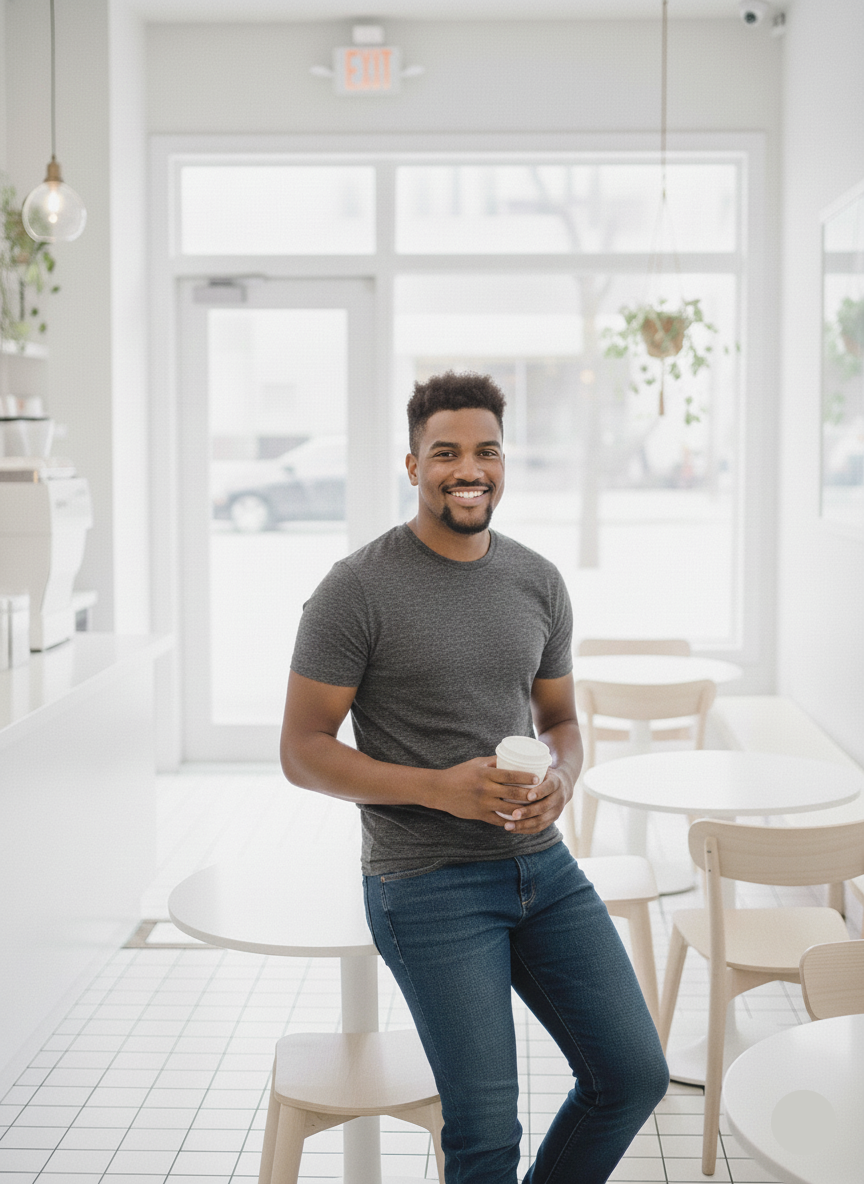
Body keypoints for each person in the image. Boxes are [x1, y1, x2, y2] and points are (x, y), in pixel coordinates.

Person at [281, 371, 668, 1184]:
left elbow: (560, 720)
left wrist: (561, 774)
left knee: (633, 1076)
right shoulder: (355, 590)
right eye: (446, 452)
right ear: (413, 463)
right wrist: (437, 787)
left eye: (486, 451)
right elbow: (303, 749)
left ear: (504, 460)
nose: (470, 469)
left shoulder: (537, 580)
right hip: (426, 884)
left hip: (542, 870)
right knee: (487, 1134)